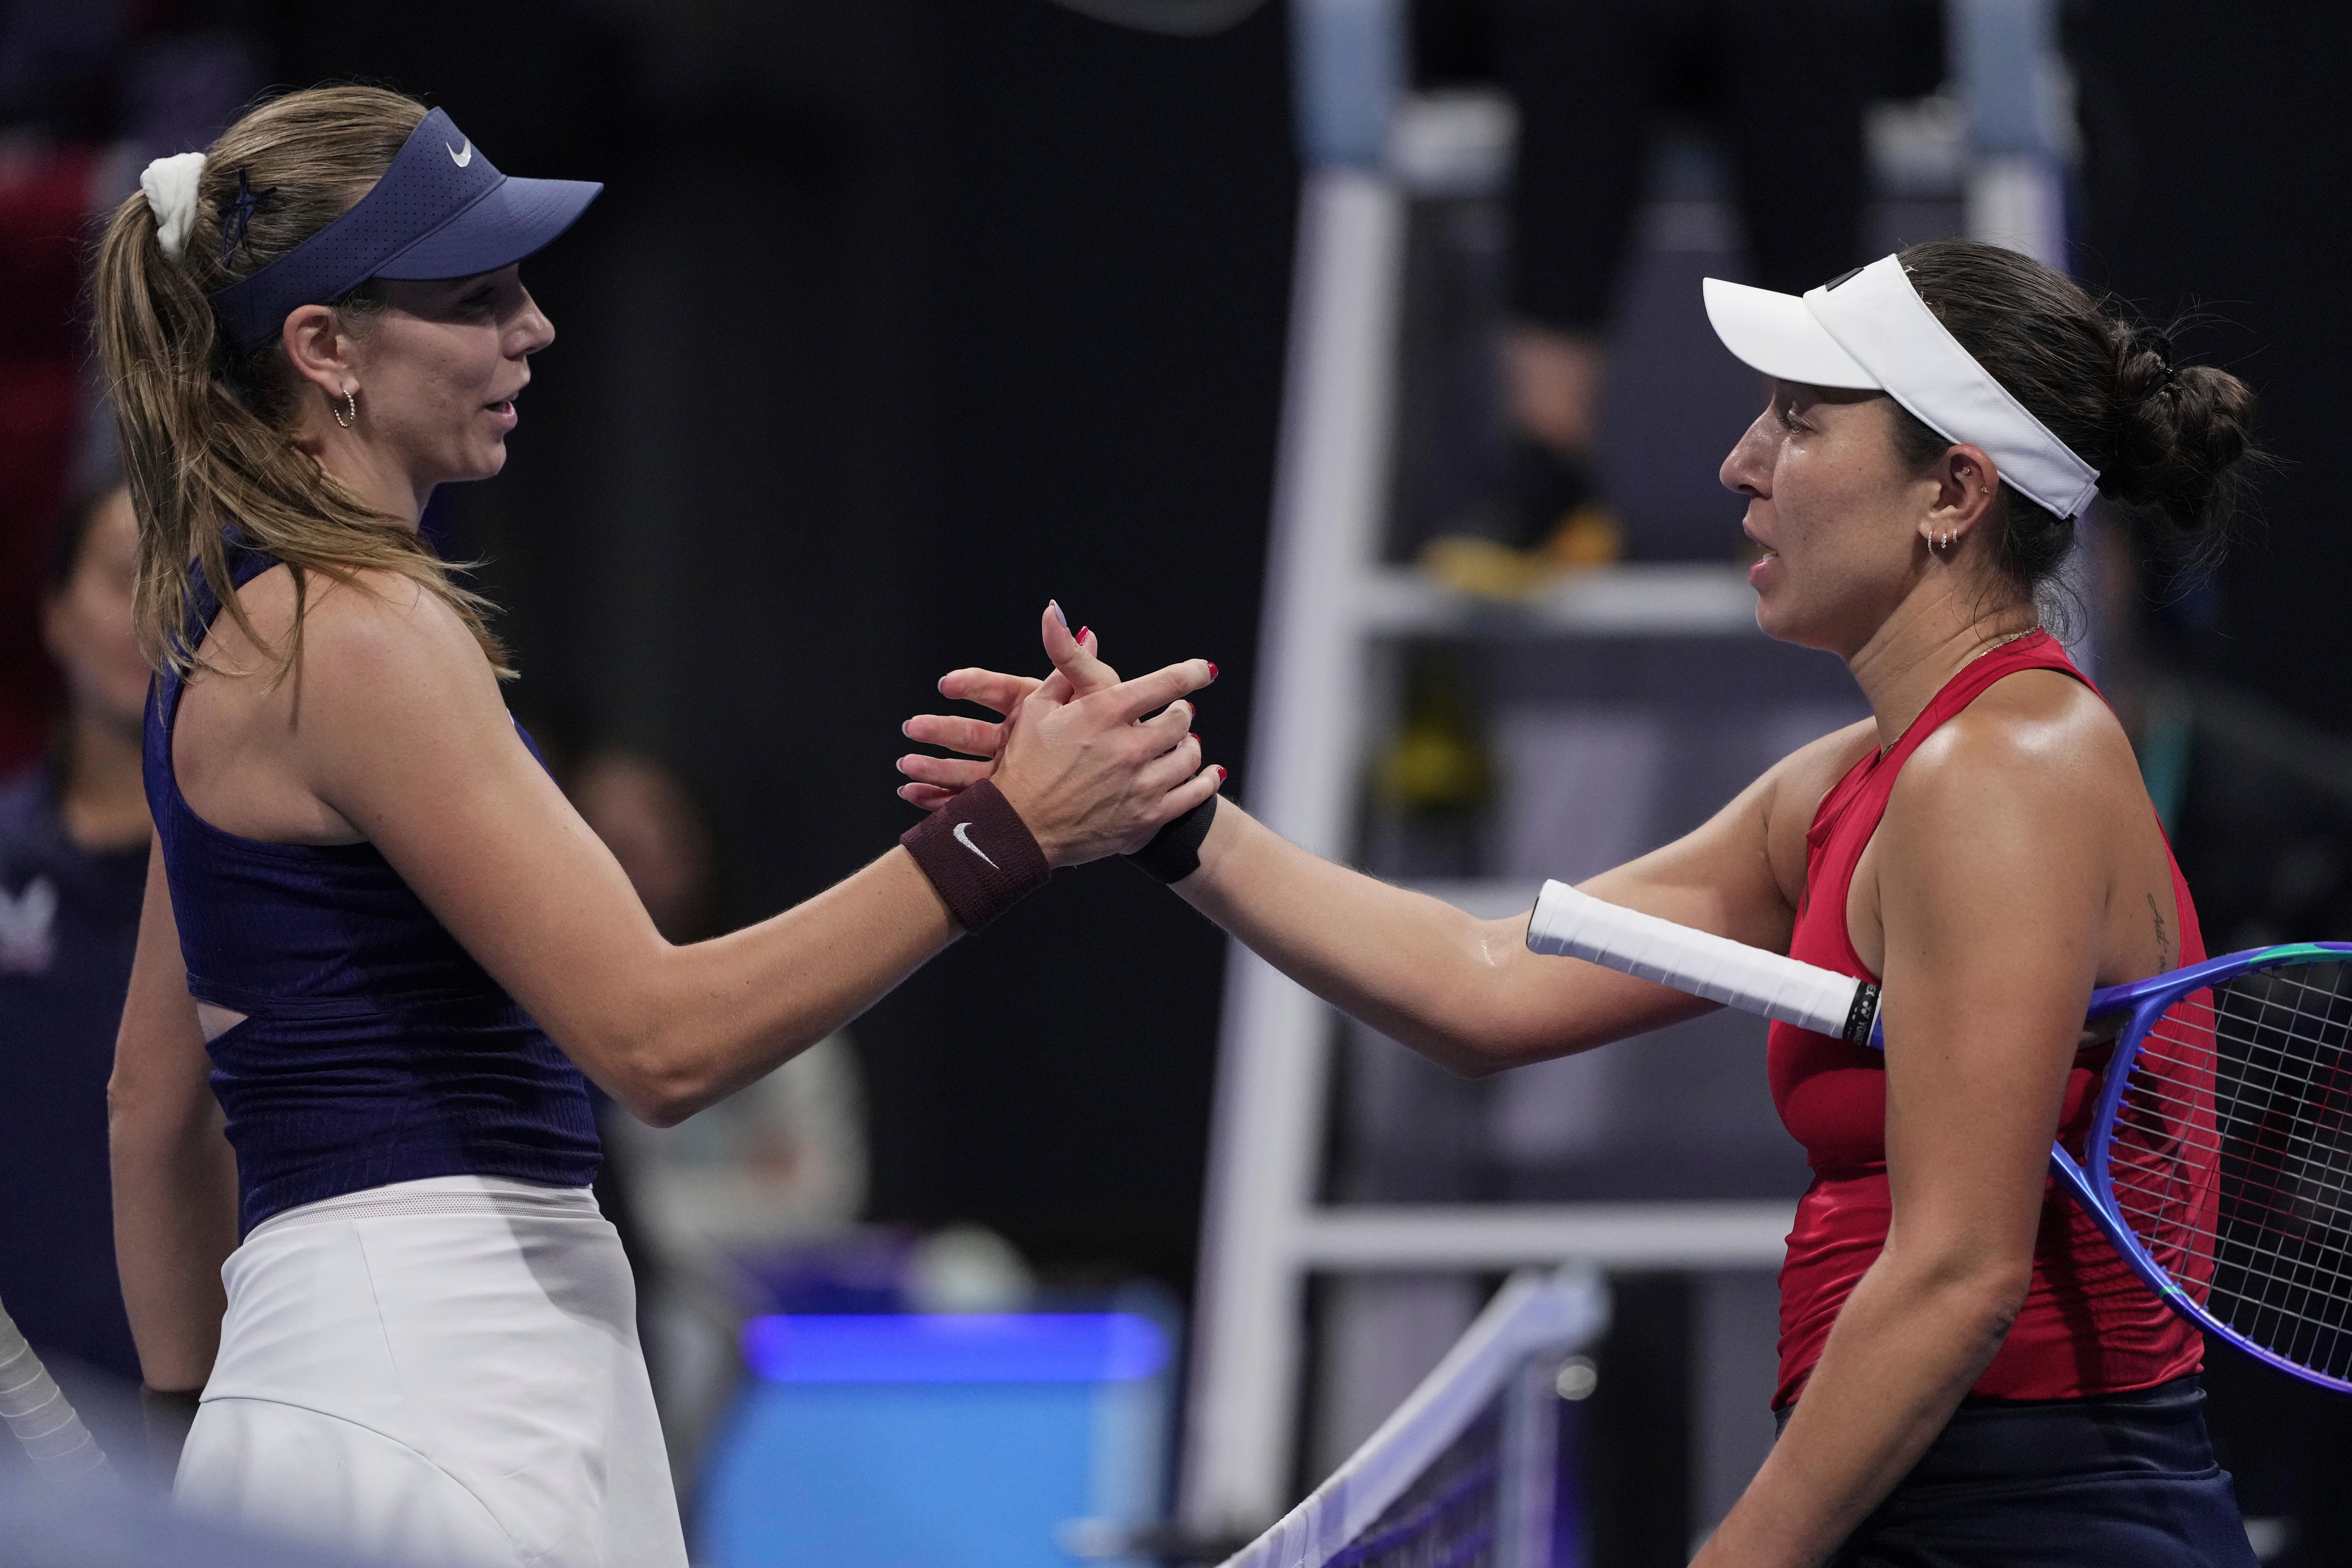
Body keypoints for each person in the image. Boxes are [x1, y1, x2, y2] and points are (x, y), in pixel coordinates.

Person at [902, 239, 2264, 1564]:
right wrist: (1172, 816)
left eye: (1798, 422)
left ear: (1953, 493)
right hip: (1914, 1499)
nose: (1739, 462)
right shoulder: (1857, 782)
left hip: (2043, 1518)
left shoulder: (2002, 772)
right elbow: (1486, 979)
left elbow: (1960, 1272)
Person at [97, 86, 1219, 1566]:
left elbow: (147, 1103)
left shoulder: (241, 631)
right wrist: (1006, 834)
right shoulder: (359, 631)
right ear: (327, 349)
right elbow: (660, 1042)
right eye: (479, 294)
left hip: (365, 1381)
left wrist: (204, 1427)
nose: (536, 326)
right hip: (438, 1390)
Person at [0, 480, 152, 1429]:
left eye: (192, 581)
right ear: (57, 616)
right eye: (128, 577)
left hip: (222, 1416)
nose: (158, 615)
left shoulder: (282, 879)